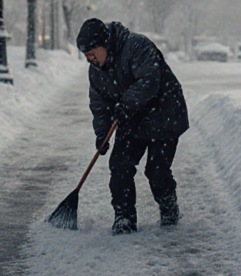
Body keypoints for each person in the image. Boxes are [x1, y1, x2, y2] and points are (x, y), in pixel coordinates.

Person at [76, 17, 189, 235]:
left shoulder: (137, 46)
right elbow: (99, 104)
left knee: (156, 171)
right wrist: (102, 133)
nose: (90, 59)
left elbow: (149, 80)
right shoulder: (96, 71)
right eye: (86, 56)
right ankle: (124, 217)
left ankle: (168, 208)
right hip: (131, 118)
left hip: (163, 114)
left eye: (92, 53)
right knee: (120, 165)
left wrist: (127, 103)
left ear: (105, 43)